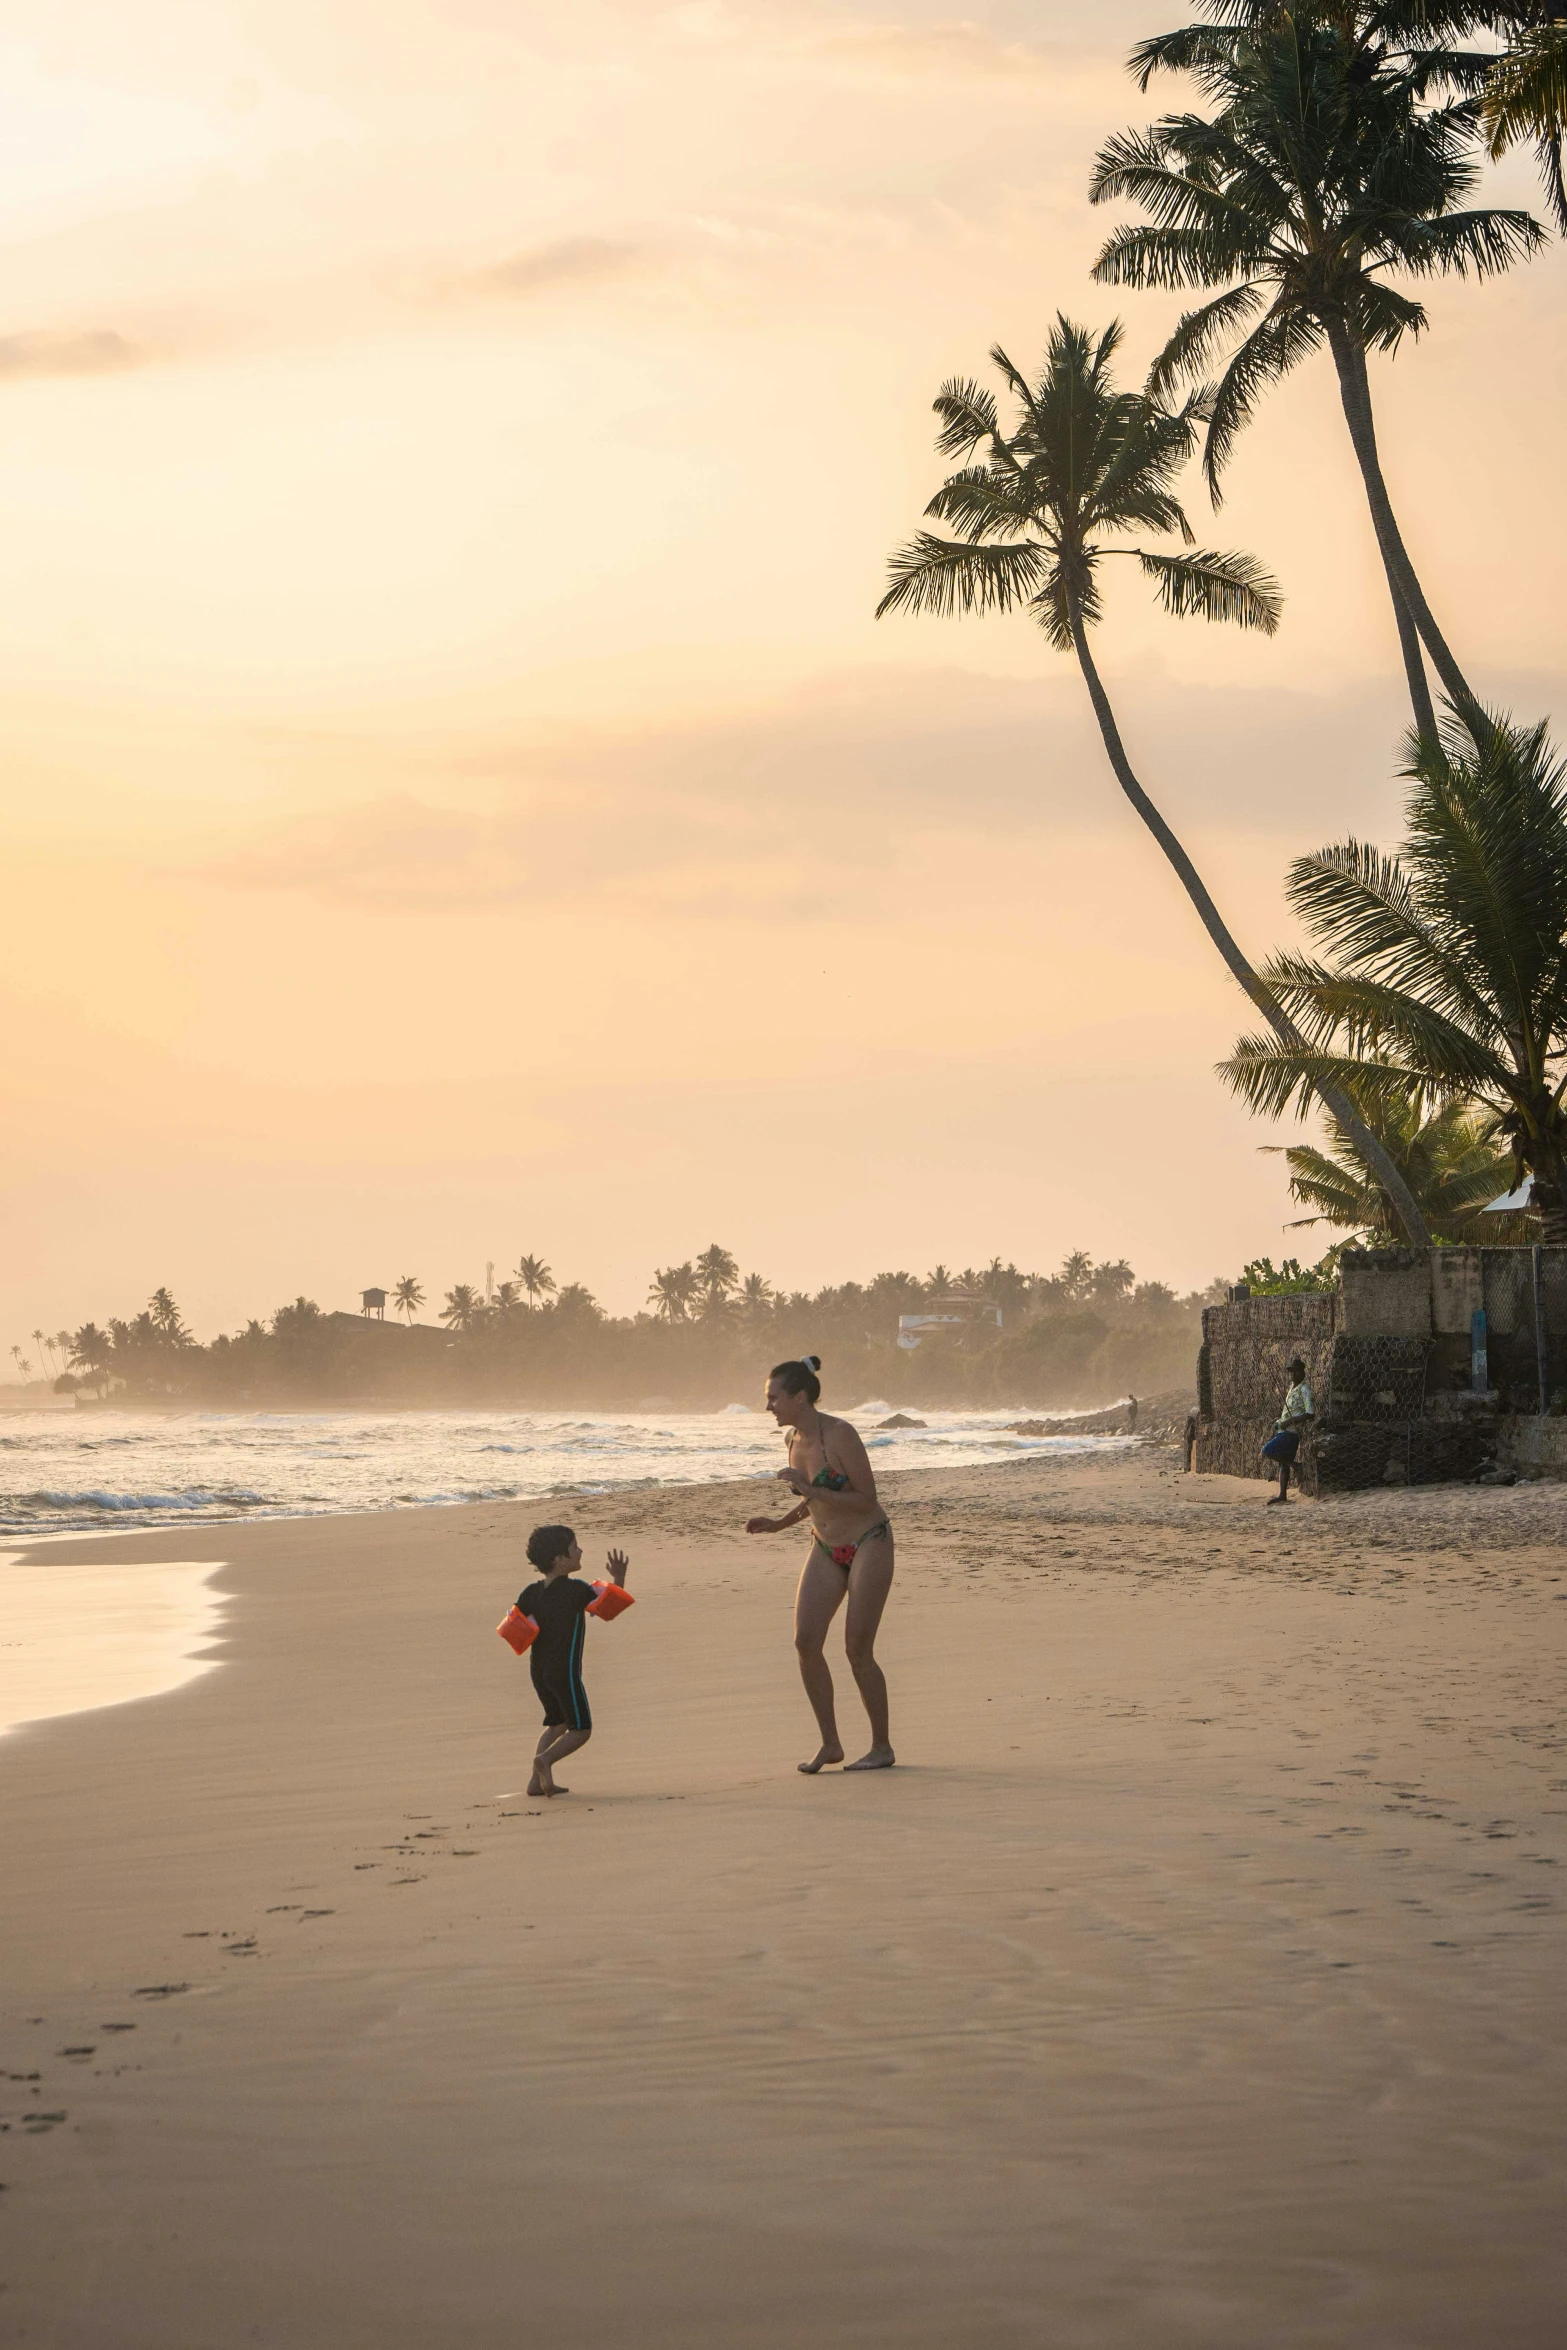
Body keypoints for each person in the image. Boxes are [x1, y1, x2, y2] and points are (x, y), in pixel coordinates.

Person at [745, 1354, 895, 1775]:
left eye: (774, 1398)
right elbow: (813, 1500)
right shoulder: (793, 1440)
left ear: (799, 1396)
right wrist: (778, 1524)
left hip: (869, 1542)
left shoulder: (841, 1435)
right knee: (806, 1642)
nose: (768, 1406)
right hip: (826, 1547)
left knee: (857, 1649)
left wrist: (808, 1488)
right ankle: (830, 1744)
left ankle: (881, 1746)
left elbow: (866, 1499)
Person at [514, 1525, 630, 1796]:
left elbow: (515, 1626)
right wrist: (619, 1577)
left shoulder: (530, 1593)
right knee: (581, 1730)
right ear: (559, 1559)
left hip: (539, 1671)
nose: (580, 1551)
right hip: (564, 1672)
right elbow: (608, 1608)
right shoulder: (576, 1590)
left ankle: (535, 1782)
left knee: (557, 1723)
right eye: (575, 1547)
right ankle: (545, 1761)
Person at [1262, 1358, 1314, 1505]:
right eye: (1291, 1372)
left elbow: (1310, 1413)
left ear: (1303, 1373)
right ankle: (1282, 1494)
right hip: (1283, 1429)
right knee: (1282, 1463)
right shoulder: (1292, 1387)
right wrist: (1280, 1422)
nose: (1293, 1375)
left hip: (1292, 1431)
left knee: (1268, 1450)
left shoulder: (1305, 1390)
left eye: (1296, 1372)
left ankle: (1296, 1465)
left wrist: (1289, 1421)